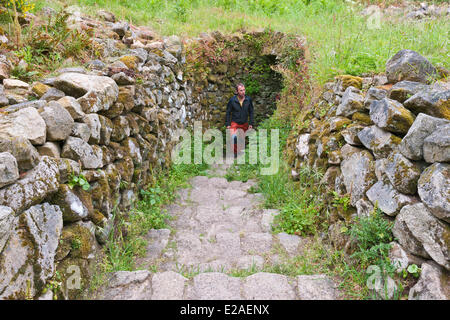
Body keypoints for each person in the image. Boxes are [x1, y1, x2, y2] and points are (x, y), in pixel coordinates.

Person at [225, 83, 254, 158]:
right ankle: (234, 153)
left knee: (241, 138)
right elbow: (228, 112)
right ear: (237, 91)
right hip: (235, 122)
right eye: (241, 90)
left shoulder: (248, 100)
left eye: (244, 90)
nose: (243, 92)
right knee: (233, 137)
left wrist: (251, 123)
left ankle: (240, 153)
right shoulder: (232, 100)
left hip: (244, 122)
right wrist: (228, 124)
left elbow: (251, 112)